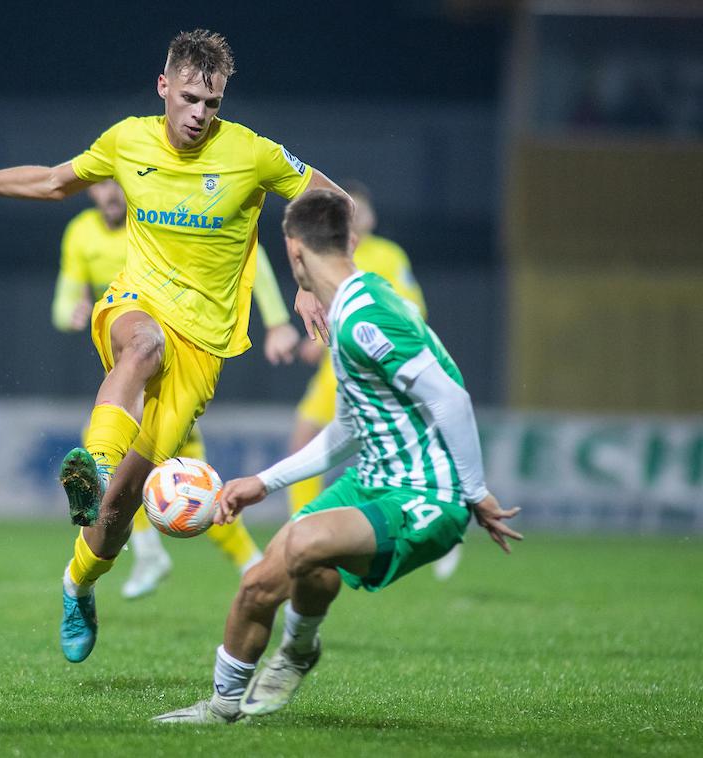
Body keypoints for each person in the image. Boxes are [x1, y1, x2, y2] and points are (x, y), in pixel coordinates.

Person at [0, 29, 347, 664]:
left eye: (213, 103)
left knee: (114, 518)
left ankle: (77, 581)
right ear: (164, 87)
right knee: (140, 346)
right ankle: (98, 464)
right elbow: (54, 181)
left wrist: (310, 281)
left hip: (204, 346)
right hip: (136, 304)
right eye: (190, 97)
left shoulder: (251, 154)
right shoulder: (127, 139)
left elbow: (328, 199)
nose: (200, 114)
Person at [154, 190, 521, 724]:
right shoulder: (347, 310)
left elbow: (450, 397)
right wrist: (264, 482)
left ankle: (295, 650)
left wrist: (475, 492)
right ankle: (227, 702)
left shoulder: (367, 314)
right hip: (373, 481)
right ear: (349, 240)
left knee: (304, 542)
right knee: (262, 580)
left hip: (428, 496)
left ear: (294, 252)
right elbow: (349, 427)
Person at [53, 178, 302, 598]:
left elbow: (246, 251)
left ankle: (242, 566)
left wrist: (277, 321)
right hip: (133, 359)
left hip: (179, 364)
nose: (112, 194)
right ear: (92, 191)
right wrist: (70, 313)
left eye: (119, 185)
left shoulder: (157, 218)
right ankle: (169, 554)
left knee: (184, 488)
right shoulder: (81, 232)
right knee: (171, 483)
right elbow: (63, 300)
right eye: (102, 186)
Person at [287, 181, 463, 580]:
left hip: (376, 364)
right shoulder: (326, 253)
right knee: (302, 440)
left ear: (371, 218)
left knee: (406, 452)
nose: (355, 217)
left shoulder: (386, 255)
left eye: (360, 210)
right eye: (348, 210)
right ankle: (299, 525)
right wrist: (316, 338)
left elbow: (410, 306)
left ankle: (447, 518)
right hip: (335, 366)